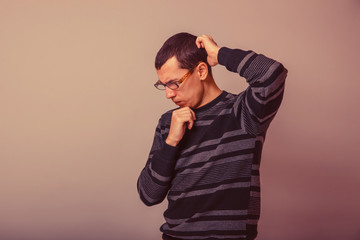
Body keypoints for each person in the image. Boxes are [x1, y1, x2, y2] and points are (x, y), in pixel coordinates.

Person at [137, 32, 287, 240]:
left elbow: (272, 74)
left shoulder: (242, 113)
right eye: (163, 85)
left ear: (200, 70)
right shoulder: (168, 123)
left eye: (174, 83)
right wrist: (171, 142)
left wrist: (220, 54)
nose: (168, 94)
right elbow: (148, 195)